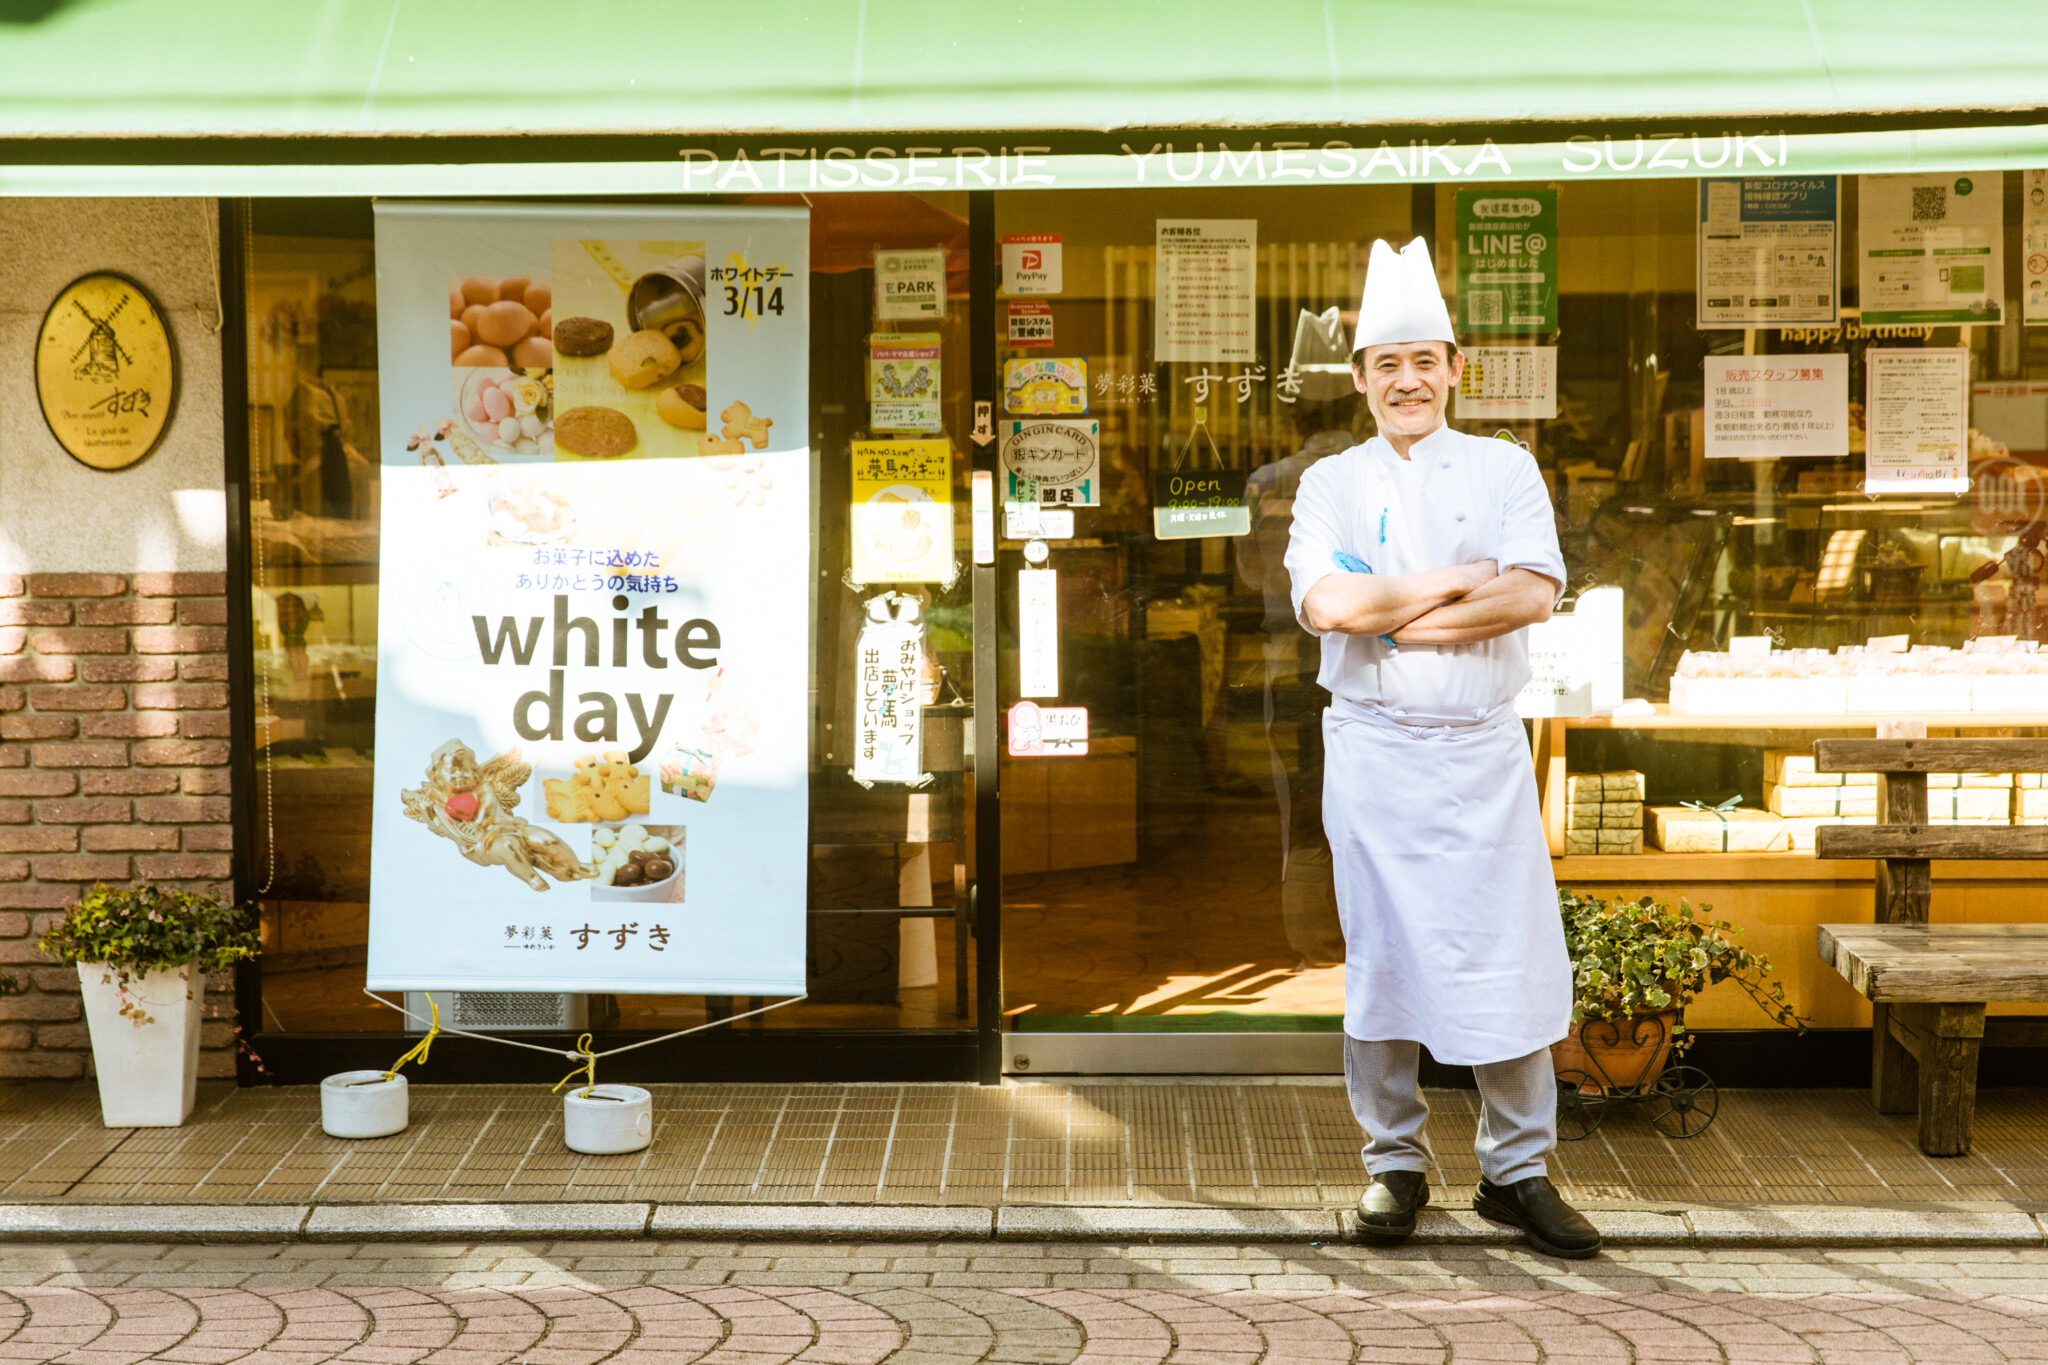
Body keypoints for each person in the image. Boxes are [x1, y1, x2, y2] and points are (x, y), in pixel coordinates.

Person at [1283, 237, 1599, 1260]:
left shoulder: (1506, 467)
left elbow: (1529, 591)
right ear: (1360, 378)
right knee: (1382, 956)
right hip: (1373, 749)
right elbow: (1326, 603)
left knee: (1504, 955)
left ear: (1454, 368)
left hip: (1480, 748)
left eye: (1424, 360)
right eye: (1386, 363)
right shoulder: (1328, 482)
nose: (1406, 380)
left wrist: (1395, 615)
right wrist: (1452, 581)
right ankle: (1393, 1163)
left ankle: (1515, 1172)